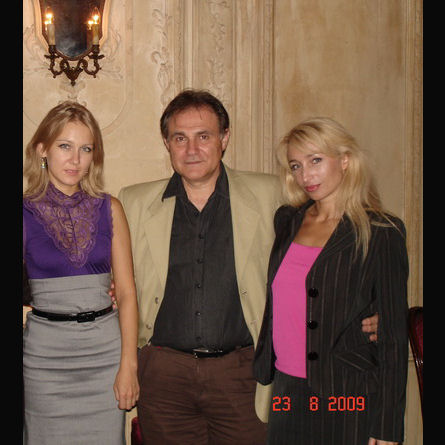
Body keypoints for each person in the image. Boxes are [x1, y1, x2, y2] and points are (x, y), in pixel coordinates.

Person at [117, 90, 379, 444]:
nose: (191, 149)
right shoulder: (133, 201)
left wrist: (370, 305)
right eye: (180, 138)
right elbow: (113, 275)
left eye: (204, 136)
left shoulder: (271, 194)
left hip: (244, 374)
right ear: (167, 143)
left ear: (224, 138)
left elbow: (334, 237)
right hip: (164, 377)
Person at [253, 117, 409, 445]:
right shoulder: (288, 220)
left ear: (345, 160)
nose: (305, 175)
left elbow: (393, 338)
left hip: (348, 393)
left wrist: (387, 425)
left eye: (316, 160)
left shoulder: (381, 231)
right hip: (286, 390)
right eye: (296, 166)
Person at [23, 101, 139, 444]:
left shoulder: (110, 208)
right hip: (44, 360)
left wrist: (129, 364)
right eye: (65, 146)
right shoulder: (24, 211)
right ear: (42, 150)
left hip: (105, 354)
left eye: (86, 149)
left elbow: (128, 294)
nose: (75, 159)